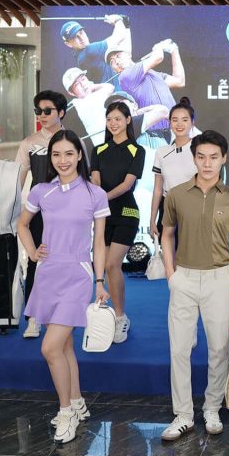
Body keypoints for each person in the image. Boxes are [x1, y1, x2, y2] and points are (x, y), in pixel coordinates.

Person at [17, 129, 109, 444]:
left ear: (80, 155)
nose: (63, 160)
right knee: (65, 345)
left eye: (69, 153)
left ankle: (66, 412)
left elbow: (99, 242)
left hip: (78, 275)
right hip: (48, 275)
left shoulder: (95, 194)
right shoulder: (41, 191)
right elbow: (22, 224)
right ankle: (77, 401)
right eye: (56, 154)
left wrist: (100, 280)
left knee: (50, 347)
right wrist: (32, 252)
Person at [159, 131, 229, 439]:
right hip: (183, 278)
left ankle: (212, 407)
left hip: (219, 279)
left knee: (218, 348)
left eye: (213, 157)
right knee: (179, 349)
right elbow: (167, 234)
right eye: (201, 157)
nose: (207, 163)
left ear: (224, 159)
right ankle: (183, 414)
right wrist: (171, 274)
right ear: (194, 158)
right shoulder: (177, 194)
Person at [91, 102, 146, 344]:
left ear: (127, 120)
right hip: (103, 215)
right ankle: (111, 315)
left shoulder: (137, 150)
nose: (113, 123)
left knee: (113, 264)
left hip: (127, 212)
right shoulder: (98, 149)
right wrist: (97, 200)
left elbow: (127, 185)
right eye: (109, 119)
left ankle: (121, 317)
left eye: (117, 119)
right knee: (104, 266)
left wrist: (102, 198)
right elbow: (95, 181)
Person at [15, 90, 68, 339]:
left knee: (65, 262)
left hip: (68, 211)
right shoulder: (29, 142)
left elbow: (84, 178)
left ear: (61, 112)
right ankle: (33, 317)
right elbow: (17, 180)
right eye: (38, 111)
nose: (42, 115)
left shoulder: (73, 141)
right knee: (36, 260)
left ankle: (61, 315)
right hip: (38, 210)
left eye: (48, 111)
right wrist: (13, 207)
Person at [108, 39, 186, 133]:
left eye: (118, 56)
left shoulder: (155, 75)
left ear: (129, 54)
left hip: (173, 131)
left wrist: (174, 50)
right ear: (114, 70)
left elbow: (179, 81)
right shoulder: (125, 76)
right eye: (112, 61)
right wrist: (158, 46)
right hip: (155, 134)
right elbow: (158, 57)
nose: (116, 61)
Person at [149, 99, 197, 242]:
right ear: (169, 123)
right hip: (168, 209)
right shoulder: (161, 152)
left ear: (192, 123)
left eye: (184, 120)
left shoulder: (200, 150)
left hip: (194, 208)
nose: (179, 124)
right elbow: (158, 189)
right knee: (169, 252)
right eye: (175, 120)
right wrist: (152, 219)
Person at [61, 15, 130, 86]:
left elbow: (126, 50)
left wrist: (126, 26)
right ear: (68, 44)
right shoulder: (87, 52)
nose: (81, 38)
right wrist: (118, 19)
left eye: (81, 32)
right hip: (115, 92)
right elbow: (120, 36)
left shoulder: (83, 55)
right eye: (75, 37)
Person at [62, 68, 114, 145]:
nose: (83, 85)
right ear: (71, 93)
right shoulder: (79, 103)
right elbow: (110, 87)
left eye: (83, 79)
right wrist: (93, 86)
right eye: (77, 85)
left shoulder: (90, 97)